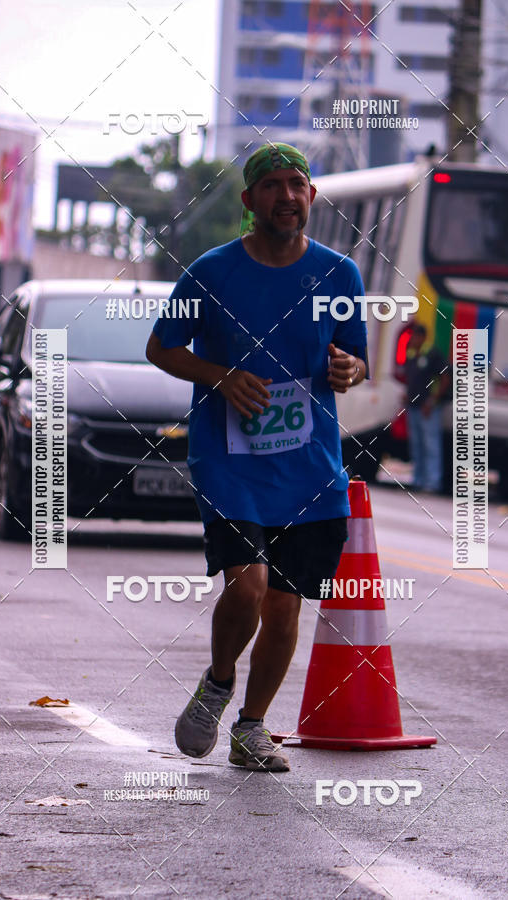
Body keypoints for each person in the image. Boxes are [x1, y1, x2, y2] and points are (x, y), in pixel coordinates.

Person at [146, 142, 368, 772]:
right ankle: (218, 683)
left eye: (297, 183)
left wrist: (351, 367)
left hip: (308, 465)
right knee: (248, 587)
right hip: (229, 459)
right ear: (249, 201)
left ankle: (252, 727)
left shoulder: (338, 276)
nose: (286, 195)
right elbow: (161, 347)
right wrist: (219, 377)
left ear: (312, 197)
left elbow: (354, 358)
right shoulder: (212, 272)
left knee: (285, 602)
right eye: (271, 185)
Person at [403, 322, 450, 493]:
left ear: (422, 337)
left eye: (415, 337)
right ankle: (418, 479)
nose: (413, 340)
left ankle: (432, 482)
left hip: (427, 408)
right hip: (413, 406)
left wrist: (432, 401)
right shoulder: (412, 354)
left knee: (431, 445)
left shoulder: (433, 354)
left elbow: (445, 378)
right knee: (417, 445)